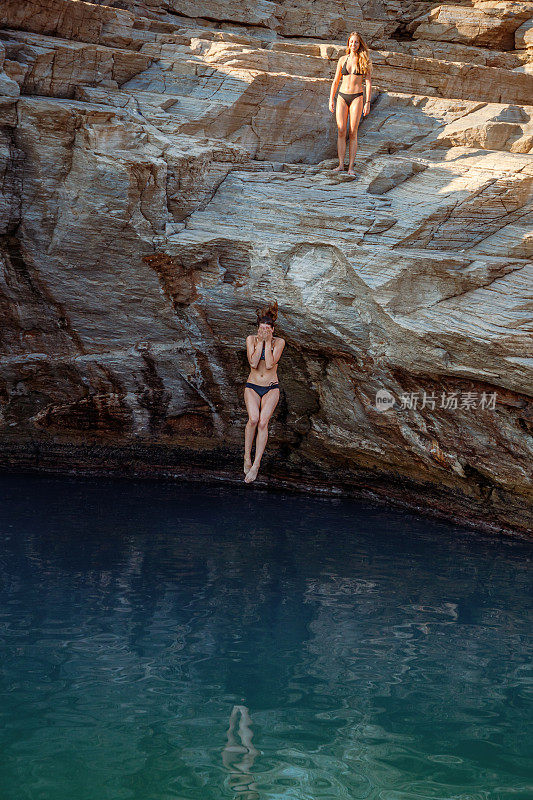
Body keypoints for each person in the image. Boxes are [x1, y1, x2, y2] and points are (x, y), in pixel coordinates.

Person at [243, 301, 285, 484]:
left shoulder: (279, 342)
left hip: (271, 387)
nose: (264, 331)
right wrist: (260, 341)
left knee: (262, 423)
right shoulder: (251, 340)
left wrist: (268, 342)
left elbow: (269, 364)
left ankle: (257, 464)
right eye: (261, 329)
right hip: (252, 386)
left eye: (267, 329)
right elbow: (253, 363)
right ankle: (246, 457)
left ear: (272, 330)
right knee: (252, 419)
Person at [329, 31, 372, 176]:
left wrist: (367, 102)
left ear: (360, 44)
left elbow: (368, 82)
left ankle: (351, 167)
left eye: (356, 42)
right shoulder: (342, 59)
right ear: (348, 43)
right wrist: (331, 99)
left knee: (353, 132)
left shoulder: (364, 60)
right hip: (341, 96)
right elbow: (336, 81)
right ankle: (341, 164)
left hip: (357, 97)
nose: (353, 44)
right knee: (341, 130)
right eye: (351, 41)